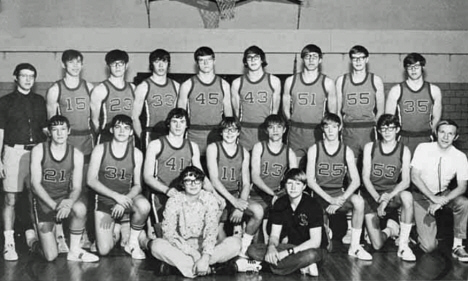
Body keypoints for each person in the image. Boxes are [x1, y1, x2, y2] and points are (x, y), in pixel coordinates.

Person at [150, 166, 241, 278]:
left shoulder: (210, 199)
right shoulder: (174, 200)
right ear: (182, 184)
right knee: (156, 245)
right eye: (188, 181)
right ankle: (209, 269)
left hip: (205, 247)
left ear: (202, 183)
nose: (193, 184)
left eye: (197, 181)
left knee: (236, 243)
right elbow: (169, 233)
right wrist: (194, 254)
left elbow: (211, 231)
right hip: (181, 248)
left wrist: (205, 256)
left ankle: (185, 268)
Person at [30, 116, 99, 262]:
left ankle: (74, 250)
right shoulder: (39, 150)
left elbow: (76, 188)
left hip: (63, 198)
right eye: (55, 130)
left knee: (80, 208)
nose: (59, 133)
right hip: (44, 201)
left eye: (63, 129)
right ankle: (33, 242)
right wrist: (55, 207)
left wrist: (67, 204)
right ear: (49, 133)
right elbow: (35, 185)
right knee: (51, 256)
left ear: (69, 131)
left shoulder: (76, 154)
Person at [45, 49, 94, 250]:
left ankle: (81, 233)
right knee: (60, 187)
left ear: (82, 65)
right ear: (64, 65)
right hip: (65, 142)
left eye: (78, 62)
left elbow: (96, 117)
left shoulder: (89, 87)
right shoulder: (55, 89)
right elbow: (51, 123)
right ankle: (58, 233)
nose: (75, 66)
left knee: (82, 188)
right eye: (71, 62)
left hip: (86, 141)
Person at [306, 113, 372, 260]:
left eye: (334, 127)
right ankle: (325, 231)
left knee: (358, 201)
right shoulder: (314, 149)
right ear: (323, 129)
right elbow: (310, 181)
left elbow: (356, 181)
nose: (330, 130)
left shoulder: (346, 151)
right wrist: (330, 199)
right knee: (325, 248)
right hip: (319, 197)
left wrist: (340, 199)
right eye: (327, 127)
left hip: (338, 196)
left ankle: (355, 246)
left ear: (340, 128)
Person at [0, 63, 47, 261]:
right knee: (11, 198)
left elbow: (45, 130)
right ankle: (9, 242)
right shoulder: (5, 101)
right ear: (15, 77)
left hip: (36, 152)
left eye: (31, 76)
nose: (28, 79)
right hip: (14, 152)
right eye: (24, 75)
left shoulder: (39, 100)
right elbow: (0, 132)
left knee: (36, 196)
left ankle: (34, 234)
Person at [87, 114, 150, 259]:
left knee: (144, 206)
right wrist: (116, 197)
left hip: (127, 198)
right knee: (103, 250)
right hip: (105, 198)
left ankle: (132, 243)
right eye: (118, 127)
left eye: (126, 128)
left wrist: (124, 199)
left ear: (131, 132)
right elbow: (91, 180)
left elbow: (138, 186)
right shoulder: (100, 149)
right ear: (111, 130)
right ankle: (117, 229)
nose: (122, 131)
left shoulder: (136, 154)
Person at [248, 169, 326, 276]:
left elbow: (315, 242)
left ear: (304, 187)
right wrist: (271, 248)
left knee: (310, 256)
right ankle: (302, 267)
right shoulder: (280, 203)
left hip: (312, 248)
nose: (293, 188)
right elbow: (275, 235)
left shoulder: (313, 205)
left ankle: (260, 266)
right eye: (290, 183)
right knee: (253, 250)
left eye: (298, 184)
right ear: (285, 185)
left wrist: (287, 253)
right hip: (291, 246)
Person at [411, 119, 468, 262]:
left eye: (450, 134)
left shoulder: (460, 156)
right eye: (442, 132)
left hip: (443, 194)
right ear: (436, 133)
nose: (445, 137)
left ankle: (458, 245)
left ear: (456, 137)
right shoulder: (423, 148)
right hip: (421, 195)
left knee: (463, 203)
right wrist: (432, 198)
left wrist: (441, 202)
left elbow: (462, 186)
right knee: (429, 247)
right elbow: (414, 177)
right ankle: (413, 230)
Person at [206, 116, 263, 257]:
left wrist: (240, 205)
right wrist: (233, 201)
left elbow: (245, 183)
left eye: (233, 130)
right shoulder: (213, 148)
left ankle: (244, 247)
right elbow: (214, 179)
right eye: (226, 130)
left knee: (258, 211)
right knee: (222, 241)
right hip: (217, 194)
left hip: (235, 195)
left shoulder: (243, 152)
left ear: (238, 132)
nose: (229, 133)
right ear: (221, 132)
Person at [361, 114, 415, 261]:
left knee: (407, 196)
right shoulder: (370, 147)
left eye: (390, 128)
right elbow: (365, 177)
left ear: (397, 129)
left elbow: (406, 181)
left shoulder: (404, 150)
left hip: (391, 194)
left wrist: (387, 199)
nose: (387, 132)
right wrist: (378, 198)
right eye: (383, 128)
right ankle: (391, 230)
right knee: (376, 244)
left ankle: (403, 245)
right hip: (372, 194)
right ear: (378, 130)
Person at [283, 44, 337, 166]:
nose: (311, 59)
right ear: (302, 59)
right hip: (296, 132)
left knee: (316, 170)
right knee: (294, 170)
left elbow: (333, 114)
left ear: (320, 59)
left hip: (317, 131)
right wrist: (291, 120)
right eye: (307, 56)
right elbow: (285, 106)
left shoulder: (328, 82)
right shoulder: (290, 81)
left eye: (314, 56)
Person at [177, 46, 232, 157]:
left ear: (214, 61)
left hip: (216, 133)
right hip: (193, 133)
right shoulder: (187, 85)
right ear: (197, 63)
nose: (206, 63)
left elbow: (228, 114)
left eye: (209, 60)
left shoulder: (224, 84)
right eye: (202, 60)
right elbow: (180, 115)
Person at [336, 45, 385, 163]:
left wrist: (375, 127)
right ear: (350, 60)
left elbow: (381, 111)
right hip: (349, 130)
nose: (358, 61)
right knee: (349, 165)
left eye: (361, 58)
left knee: (370, 165)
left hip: (369, 130)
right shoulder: (341, 81)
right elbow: (336, 110)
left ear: (367, 59)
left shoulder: (375, 80)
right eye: (354, 58)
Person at [385, 52, 442, 154]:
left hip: (426, 139)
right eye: (409, 67)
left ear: (422, 67)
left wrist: (429, 132)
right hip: (404, 138)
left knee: (426, 170)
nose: (413, 70)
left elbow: (436, 117)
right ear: (406, 69)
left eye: (416, 66)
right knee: (404, 169)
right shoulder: (396, 90)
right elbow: (388, 119)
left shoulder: (434, 90)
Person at [231, 45, 281, 151]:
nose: (253, 60)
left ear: (262, 59)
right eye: (249, 58)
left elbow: (275, 112)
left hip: (265, 130)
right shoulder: (237, 83)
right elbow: (236, 112)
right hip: (245, 132)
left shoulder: (274, 81)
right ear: (245, 62)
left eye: (256, 57)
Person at [131, 49, 179, 149]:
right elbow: (134, 117)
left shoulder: (176, 86)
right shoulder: (143, 86)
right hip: (151, 133)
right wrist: (142, 137)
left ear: (168, 64)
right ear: (151, 64)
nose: (161, 66)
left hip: (171, 134)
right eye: (157, 62)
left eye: (164, 61)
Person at [251, 115, 297, 216]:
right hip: (257, 194)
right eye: (271, 127)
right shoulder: (259, 147)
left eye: (279, 127)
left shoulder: (289, 152)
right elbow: (255, 177)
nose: (275, 130)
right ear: (266, 130)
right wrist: (273, 195)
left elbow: (295, 178)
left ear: (284, 130)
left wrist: (283, 194)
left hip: (277, 192)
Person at [90, 49, 135, 143]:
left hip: (128, 139)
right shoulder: (100, 90)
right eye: (113, 63)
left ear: (126, 65)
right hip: (107, 138)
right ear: (108, 66)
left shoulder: (133, 88)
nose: (117, 67)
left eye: (121, 63)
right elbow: (94, 121)